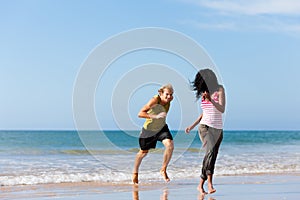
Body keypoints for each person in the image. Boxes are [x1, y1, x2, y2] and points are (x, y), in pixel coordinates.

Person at [185, 69, 226, 195]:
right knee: (210, 152)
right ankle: (209, 183)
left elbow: (222, 109)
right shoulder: (204, 93)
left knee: (212, 156)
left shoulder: (220, 90)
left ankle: (200, 185)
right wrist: (192, 126)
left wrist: (211, 99)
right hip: (205, 127)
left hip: (218, 129)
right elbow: (204, 114)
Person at [132, 84, 174, 184]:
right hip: (148, 130)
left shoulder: (169, 101)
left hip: (161, 128)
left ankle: (163, 169)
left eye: (171, 95)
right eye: (167, 94)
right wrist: (155, 116)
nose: (169, 97)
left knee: (170, 145)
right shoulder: (155, 100)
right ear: (161, 93)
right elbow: (140, 113)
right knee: (143, 153)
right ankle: (135, 173)